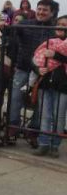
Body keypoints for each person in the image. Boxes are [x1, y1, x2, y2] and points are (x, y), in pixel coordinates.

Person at [8, 0, 55, 137]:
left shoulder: (55, 29)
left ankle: (34, 130)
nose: (41, 12)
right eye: (39, 9)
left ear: (52, 13)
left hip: (43, 71)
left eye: (45, 10)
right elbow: (12, 33)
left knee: (40, 101)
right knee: (15, 97)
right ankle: (12, 126)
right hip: (23, 67)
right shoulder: (25, 24)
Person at [31, 15, 67, 157]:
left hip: (63, 86)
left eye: (64, 24)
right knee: (44, 115)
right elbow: (34, 58)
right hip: (45, 83)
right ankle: (43, 144)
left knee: (59, 117)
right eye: (59, 24)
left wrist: (55, 55)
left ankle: (55, 145)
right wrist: (37, 69)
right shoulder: (48, 41)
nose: (61, 26)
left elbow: (58, 57)